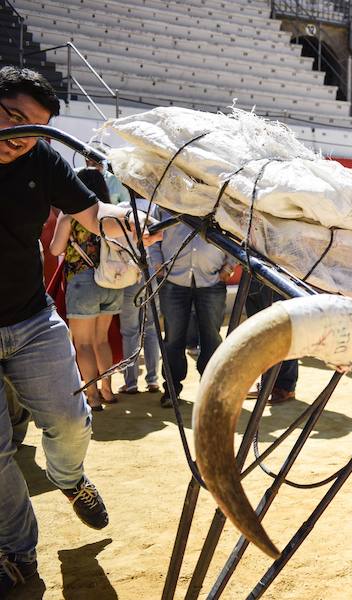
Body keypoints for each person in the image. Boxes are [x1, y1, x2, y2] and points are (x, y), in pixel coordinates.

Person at [0, 66, 158, 595]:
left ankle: (68, 480)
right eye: (12, 118)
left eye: (35, 129)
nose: (20, 137)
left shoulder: (39, 160)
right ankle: (18, 552)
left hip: (29, 318)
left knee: (70, 422)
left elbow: (94, 213)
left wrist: (134, 225)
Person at [48, 168, 124, 410]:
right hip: (111, 281)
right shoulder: (110, 213)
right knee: (102, 340)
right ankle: (107, 391)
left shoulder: (71, 214)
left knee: (82, 344)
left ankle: (92, 397)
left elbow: (55, 249)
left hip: (82, 282)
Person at [149, 209, 236, 407]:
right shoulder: (165, 203)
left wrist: (229, 266)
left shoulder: (219, 204)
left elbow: (236, 236)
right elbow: (153, 234)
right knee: (173, 339)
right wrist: (157, 263)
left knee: (212, 338)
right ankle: (171, 390)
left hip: (212, 279)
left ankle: (210, 392)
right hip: (173, 280)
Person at [117, 194, 161, 395]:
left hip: (128, 274)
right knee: (151, 328)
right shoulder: (155, 209)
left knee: (130, 331)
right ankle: (153, 380)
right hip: (151, 272)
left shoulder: (122, 209)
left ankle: (131, 382)